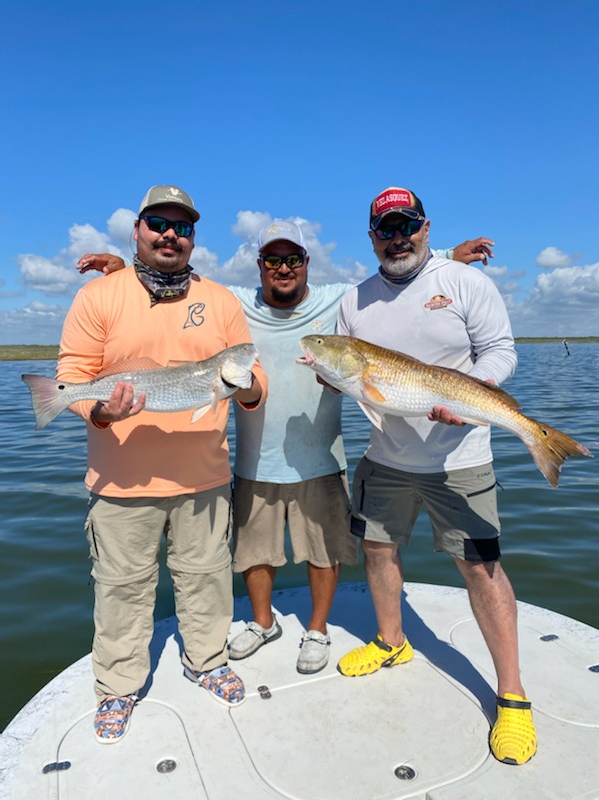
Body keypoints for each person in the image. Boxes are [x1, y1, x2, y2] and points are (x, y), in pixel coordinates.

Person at [77, 227, 495, 676]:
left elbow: (391, 269)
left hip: (322, 458)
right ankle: (263, 623)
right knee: (254, 553)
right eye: (273, 260)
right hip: (255, 460)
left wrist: (447, 255)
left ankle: (317, 629)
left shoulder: (338, 299)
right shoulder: (234, 301)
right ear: (259, 265)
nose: (283, 268)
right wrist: (126, 271)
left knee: (324, 551)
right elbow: (181, 281)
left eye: (293, 259)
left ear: (307, 262)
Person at [334, 186, 537, 766]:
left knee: (480, 566)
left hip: (461, 456)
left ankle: (513, 694)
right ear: (371, 237)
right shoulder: (354, 301)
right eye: (386, 229)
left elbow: (500, 350)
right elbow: (354, 377)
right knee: (377, 548)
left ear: (425, 228)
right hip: (385, 457)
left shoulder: (466, 282)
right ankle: (391, 641)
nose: (397, 237)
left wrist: (473, 393)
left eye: (408, 225)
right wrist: (330, 372)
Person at [60, 185, 266, 744]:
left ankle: (208, 660)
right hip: (120, 482)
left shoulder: (221, 301)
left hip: (205, 478)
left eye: (183, 227)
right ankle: (118, 686)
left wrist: (248, 387)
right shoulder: (99, 296)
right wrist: (99, 410)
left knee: (207, 579)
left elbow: (252, 379)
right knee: (120, 587)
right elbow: (72, 375)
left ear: (194, 238)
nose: (171, 235)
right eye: (159, 224)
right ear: (138, 230)